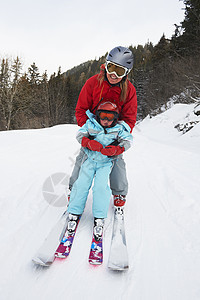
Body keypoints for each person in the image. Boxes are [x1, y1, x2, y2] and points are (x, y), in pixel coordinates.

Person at [69, 46, 137, 209]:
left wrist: (118, 142)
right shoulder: (92, 83)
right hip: (93, 128)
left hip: (114, 131)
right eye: (111, 68)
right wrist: (89, 133)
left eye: (119, 71)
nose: (113, 75)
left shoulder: (129, 91)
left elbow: (129, 118)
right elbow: (81, 109)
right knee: (83, 159)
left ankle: (119, 192)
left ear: (126, 73)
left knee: (117, 163)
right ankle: (74, 189)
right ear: (105, 65)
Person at [67, 101, 133, 239]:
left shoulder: (119, 129)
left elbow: (128, 140)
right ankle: (74, 212)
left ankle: (99, 216)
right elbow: (79, 135)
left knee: (101, 188)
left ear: (115, 118)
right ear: (97, 115)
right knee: (81, 184)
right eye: (103, 116)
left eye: (110, 117)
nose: (106, 120)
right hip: (89, 161)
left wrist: (118, 148)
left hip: (106, 163)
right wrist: (88, 142)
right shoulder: (91, 125)